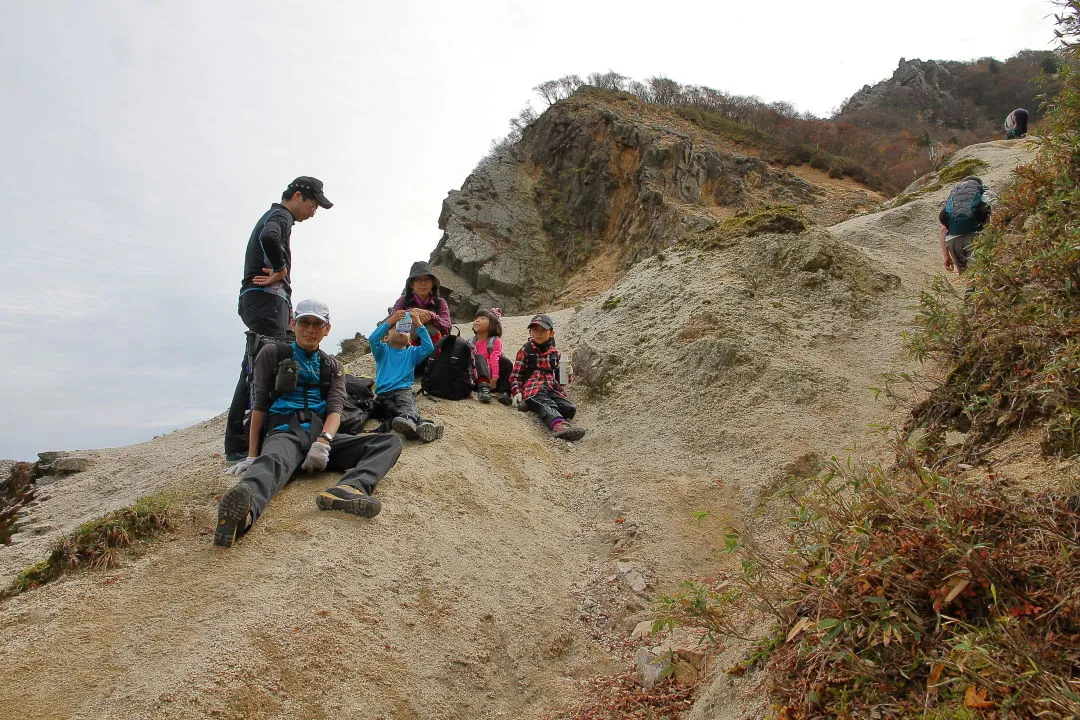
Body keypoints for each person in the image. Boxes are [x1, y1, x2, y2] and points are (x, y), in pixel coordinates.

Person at [215, 299, 402, 548]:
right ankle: (243, 515)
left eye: (317, 324)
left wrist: (324, 441)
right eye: (305, 322)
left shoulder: (333, 366)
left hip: (320, 437)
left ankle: (348, 488)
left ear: (327, 328)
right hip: (284, 433)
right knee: (270, 463)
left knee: (388, 442)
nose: (310, 329)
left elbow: (335, 410)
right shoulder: (272, 353)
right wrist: (251, 454)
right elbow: (259, 404)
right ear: (293, 323)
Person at [224, 177, 334, 461]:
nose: (314, 212)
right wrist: (281, 269)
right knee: (260, 365)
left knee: (268, 362)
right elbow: (269, 237)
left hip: (267, 302)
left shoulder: (279, 216)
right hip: (265, 300)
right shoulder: (280, 215)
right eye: (314, 205)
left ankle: (254, 439)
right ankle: (239, 447)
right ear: (298, 195)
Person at [508, 313, 586, 441]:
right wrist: (517, 392)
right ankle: (558, 425)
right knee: (544, 401)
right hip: (533, 388)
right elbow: (516, 376)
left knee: (569, 409)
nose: (538, 333)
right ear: (530, 332)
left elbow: (562, 381)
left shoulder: (556, 354)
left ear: (551, 333)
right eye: (535, 329)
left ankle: (531, 405)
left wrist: (568, 373)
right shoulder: (525, 351)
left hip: (552, 388)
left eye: (543, 330)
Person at [370, 309, 444, 443]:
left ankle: (410, 422)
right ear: (386, 338)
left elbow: (428, 348)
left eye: (406, 329)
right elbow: (373, 339)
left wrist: (419, 325)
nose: (401, 329)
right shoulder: (382, 351)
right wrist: (390, 321)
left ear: (410, 339)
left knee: (406, 406)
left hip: (403, 391)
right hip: (382, 394)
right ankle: (422, 425)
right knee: (392, 412)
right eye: (395, 327)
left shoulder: (412, 353)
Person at [938, 176, 991, 275]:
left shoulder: (954, 198)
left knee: (966, 277)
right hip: (975, 237)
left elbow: (943, 231)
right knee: (977, 276)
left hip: (952, 241)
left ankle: (969, 289)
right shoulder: (982, 192)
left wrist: (946, 256)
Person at [389, 261, 452, 344]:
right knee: (410, 330)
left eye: (427, 280)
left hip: (435, 350)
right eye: (418, 280)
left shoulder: (440, 302)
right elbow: (390, 322)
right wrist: (412, 313)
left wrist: (431, 315)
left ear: (432, 284)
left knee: (432, 330)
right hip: (406, 349)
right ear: (412, 284)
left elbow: (447, 326)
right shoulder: (403, 301)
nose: (423, 283)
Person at [468, 308, 504, 404]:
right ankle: (482, 386)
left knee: (506, 362)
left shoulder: (494, 341)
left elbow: (494, 359)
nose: (477, 320)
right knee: (478, 357)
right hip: (474, 376)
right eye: (476, 318)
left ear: (492, 324)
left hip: (492, 379)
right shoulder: (470, 342)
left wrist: (494, 378)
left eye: (482, 318)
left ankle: (505, 392)